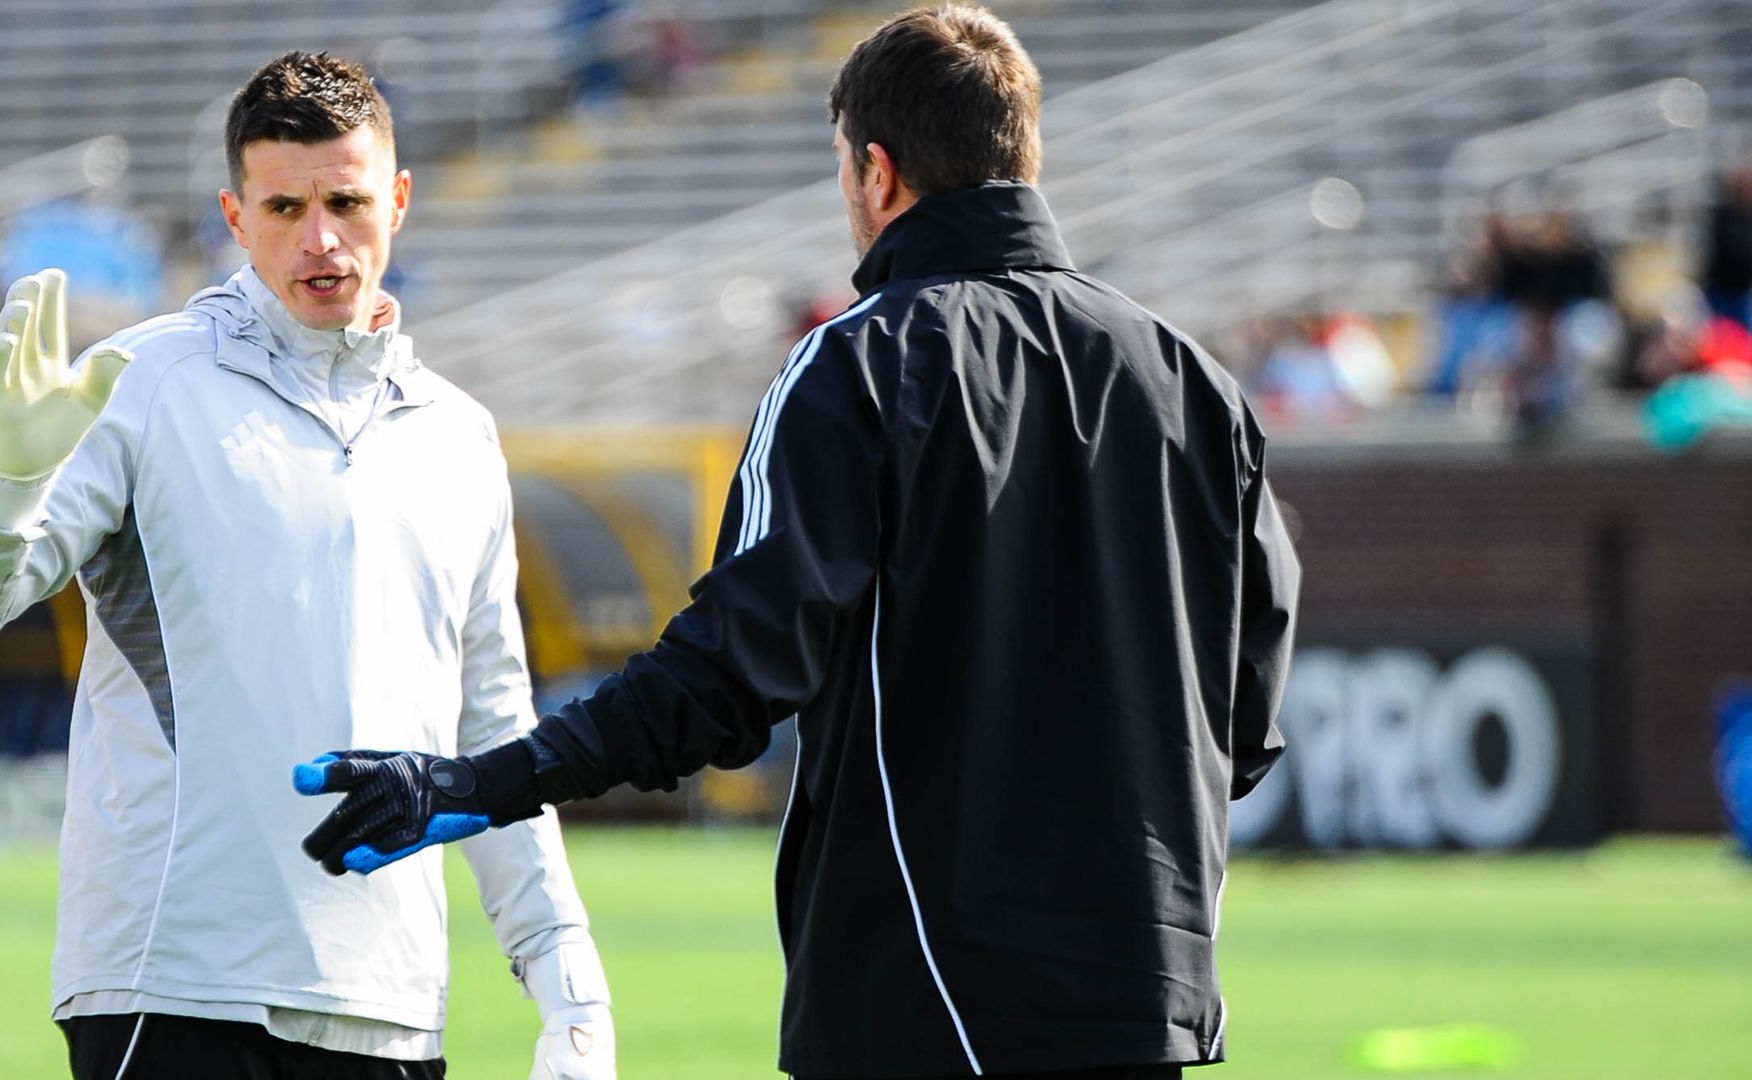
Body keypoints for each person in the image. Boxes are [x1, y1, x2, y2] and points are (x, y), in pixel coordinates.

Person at [298, 7, 1298, 1079]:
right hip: (1150, 1000)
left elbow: (724, 675)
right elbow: (1241, 722)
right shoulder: (1195, 383)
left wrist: (476, 782)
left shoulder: (859, 365)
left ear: (876, 173)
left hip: (925, 1000)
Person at [0, 51, 613, 1080]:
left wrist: (567, 982)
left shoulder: (461, 437)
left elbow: (493, 730)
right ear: (235, 219)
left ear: (400, 201)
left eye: (346, 201)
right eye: (283, 207)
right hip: (174, 987)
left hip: (393, 1007)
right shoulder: (143, 384)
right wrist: (6, 485)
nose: (319, 239)